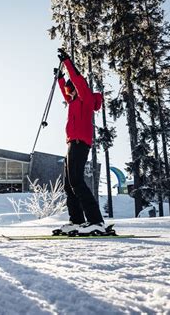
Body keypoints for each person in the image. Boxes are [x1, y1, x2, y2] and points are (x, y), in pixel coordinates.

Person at [54, 48, 106, 236]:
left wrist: (67, 62)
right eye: (68, 90)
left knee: (76, 181)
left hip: (80, 142)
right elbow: (65, 93)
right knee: (69, 184)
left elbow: (78, 80)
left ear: (77, 88)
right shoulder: (74, 101)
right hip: (71, 144)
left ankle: (96, 221)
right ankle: (76, 221)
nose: (69, 93)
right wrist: (60, 79)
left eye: (70, 89)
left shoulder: (85, 98)